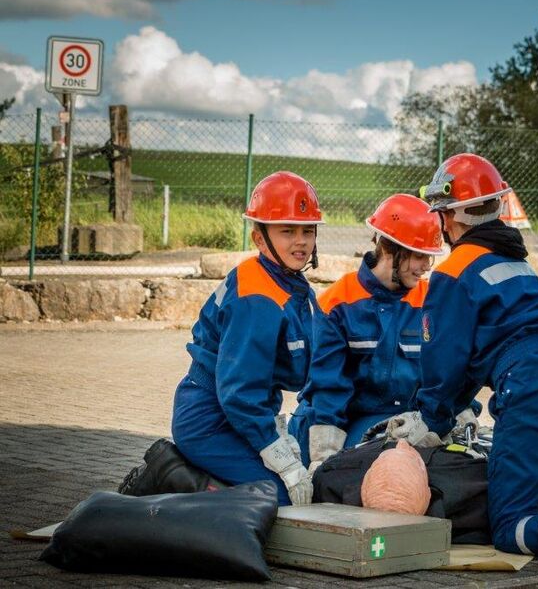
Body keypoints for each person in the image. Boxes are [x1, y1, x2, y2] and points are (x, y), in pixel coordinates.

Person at [390, 153, 538, 559]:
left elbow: (445, 360)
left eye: (441, 214)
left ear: (451, 216)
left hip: (529, 385)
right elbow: (482, 351)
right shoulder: (516, 264)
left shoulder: (453, 273)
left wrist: (431, 418)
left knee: (511, 526)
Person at [170, 171, 324, 506]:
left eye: (308, 230)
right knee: (282, 496)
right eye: (287, 231)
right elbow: (239, 393)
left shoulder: (287, 283)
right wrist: (273, 448)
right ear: (258, 238)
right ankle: (175, 481)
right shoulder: (257, 297)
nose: (301, 241)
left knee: (303, 485)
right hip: (211, 421)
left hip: (240, 416)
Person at [288, 194, 447, 472]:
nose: (426, 266)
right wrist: (324, 458)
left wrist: (460, 415)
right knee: (351, 473)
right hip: (342, 418)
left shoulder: (430, 302)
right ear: (390, 250)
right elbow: (329, 385)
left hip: (400, 422)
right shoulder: (338, 302)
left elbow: (446, 370)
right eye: (419, 255)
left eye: (429, 258)